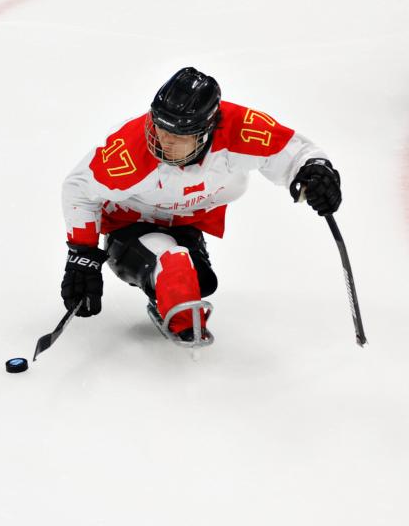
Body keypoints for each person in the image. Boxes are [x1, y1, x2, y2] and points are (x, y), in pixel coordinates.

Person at [60, 67, 342, 345]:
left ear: (207, 131)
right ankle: (178, 305)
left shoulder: (241, 129)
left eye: (178, 135)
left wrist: (315, 173)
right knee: (175, 268)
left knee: (201, 280)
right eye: (159, 126)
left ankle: (174, 277)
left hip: (187, 224)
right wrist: (82, 257)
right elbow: (79, 190)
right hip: (129, 223)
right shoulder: (129, 150)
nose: (162, 140)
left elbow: (296, 152)